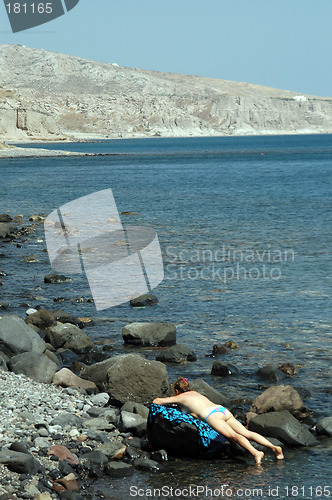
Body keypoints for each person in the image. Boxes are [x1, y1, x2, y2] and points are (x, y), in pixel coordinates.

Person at [153, 376, 284, 465]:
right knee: (246, 433)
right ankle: (274, 448)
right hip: (221, 410)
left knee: (234, 435)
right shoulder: (197, 394)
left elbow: (157, 401)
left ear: (177, 390)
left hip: (212, 416)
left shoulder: (180, 398)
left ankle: (256, 453)